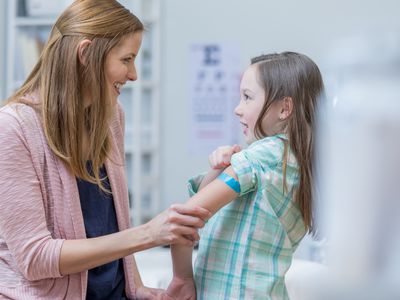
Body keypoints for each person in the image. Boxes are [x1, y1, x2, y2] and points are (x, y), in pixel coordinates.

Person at [0, 1, 210, 299]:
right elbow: (36, 258)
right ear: (85, 54)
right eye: (126, 59)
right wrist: (148, 234)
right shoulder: (13, 128)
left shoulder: (111, 116)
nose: (133, 74)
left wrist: (134, 287)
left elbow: (114, 222)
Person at [164, 52, 325, 299]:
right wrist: (218, 170)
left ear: (284, 108)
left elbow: (185, 218)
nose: (238, 109)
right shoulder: (301, 161)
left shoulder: (260, 158)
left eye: (247, 98)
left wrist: (182, 278)